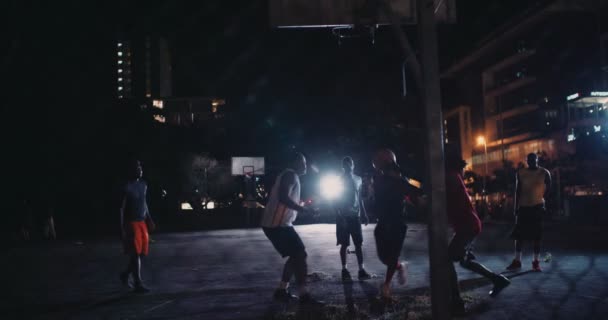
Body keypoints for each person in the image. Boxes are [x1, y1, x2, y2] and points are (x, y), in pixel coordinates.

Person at [444, 144, 510, 316]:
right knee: (463, 261)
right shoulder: (453, 176)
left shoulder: (450, 177)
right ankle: (498, 280)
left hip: (467, 225)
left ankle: (456, 301)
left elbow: (440, 199)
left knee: (447, 260)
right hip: (468, 225)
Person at [261, 152, 322, 305]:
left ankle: (282, 290)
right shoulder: (290, 175)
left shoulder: (288, 176)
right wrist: (302, 210)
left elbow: (285, 200)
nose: (306, 165)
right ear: (294, 162)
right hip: (277, 225)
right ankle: (304, 296)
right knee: (300, 255)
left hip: (277, 224)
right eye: (303, 162)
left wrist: (302, 207)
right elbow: (283, 197)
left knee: (296, 256)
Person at [371, 149, 414, 301]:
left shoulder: (400, 181)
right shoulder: (379, 179)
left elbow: (414, 194)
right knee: (384, 258)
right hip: (382, 223)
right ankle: (399, 267)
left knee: (392, 256)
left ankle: (386, 286)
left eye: (380, 161)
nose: (377, 164)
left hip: (397, 223)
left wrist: (419, 199)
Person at [507, 153, 551, 272]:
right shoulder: (521, 173)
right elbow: (517, 190)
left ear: (537, 160)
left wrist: (544, 202)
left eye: (534, 159)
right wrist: (515, 207)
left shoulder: (544, 172)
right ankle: (517, 261)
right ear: (527, 160)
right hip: (523, 207)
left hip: (537, 207)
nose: (531, 161)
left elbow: (550, 189)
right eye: (529, 159)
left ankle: (535, 262)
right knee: (519, 235)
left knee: (537, 235)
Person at [119, 160, 156, 293]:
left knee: (141, 253)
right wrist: (121, 227)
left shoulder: (144, 185)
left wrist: (149, 218)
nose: (140, 170)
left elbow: (144, 203)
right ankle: (138, 283)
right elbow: (121, 208)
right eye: (137, 168)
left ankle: (125, 274)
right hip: (131, 222)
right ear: (130, 170)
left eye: (141, 167)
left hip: (142, 222)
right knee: (135, 254)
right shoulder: (126, 186)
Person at [336, 156, 371, 281]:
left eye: (349, 163)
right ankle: (344, 270)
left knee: (358, 244)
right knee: (344, 244)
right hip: (343, 216)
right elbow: (335, 200)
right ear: (343, 166)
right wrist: (340, 216)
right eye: (345, 164)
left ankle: (361, 270)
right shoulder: (339, 180)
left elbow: (360, 198)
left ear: (353, 165)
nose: (347, 166)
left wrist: (364, 213)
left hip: (355, 216)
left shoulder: (358, 179)